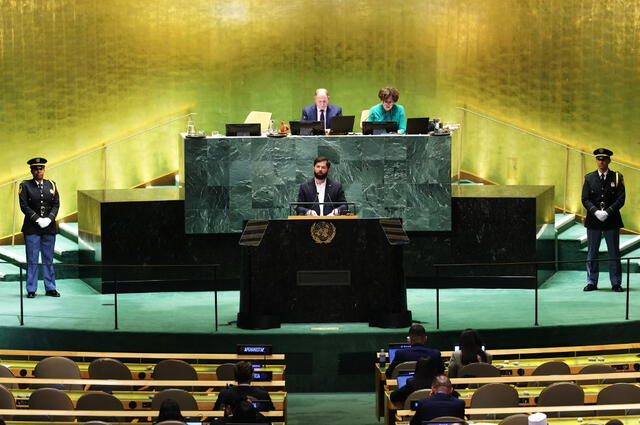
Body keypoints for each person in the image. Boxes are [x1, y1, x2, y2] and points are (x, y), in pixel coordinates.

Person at [581, 148, 625, 292]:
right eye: (599, 159)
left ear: (609, 161)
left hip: (611, 220)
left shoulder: (617, 177)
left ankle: (616, 282)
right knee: (592, 252)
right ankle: (592, 282)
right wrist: (595, 211)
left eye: (604, 159)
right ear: (596, 161)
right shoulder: (589, 178)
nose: (601, 162)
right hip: (594, 221)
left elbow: (621, 199)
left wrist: (608, 211)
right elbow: (585, 199)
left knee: (613, 252)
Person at [19, 157, 60, 298]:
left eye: (41, 168)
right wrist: (37, 219)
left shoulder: (52, 185)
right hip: (32, 227)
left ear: (44, 170)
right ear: (31, 171)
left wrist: (49, 218)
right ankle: (31, 289)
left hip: (48, 227)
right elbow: (24, 206)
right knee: (32, 259)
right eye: (35, 169)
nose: (38, 171)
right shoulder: (25, 186)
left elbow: (56, 204)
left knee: (48, 258)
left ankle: (50, 287)